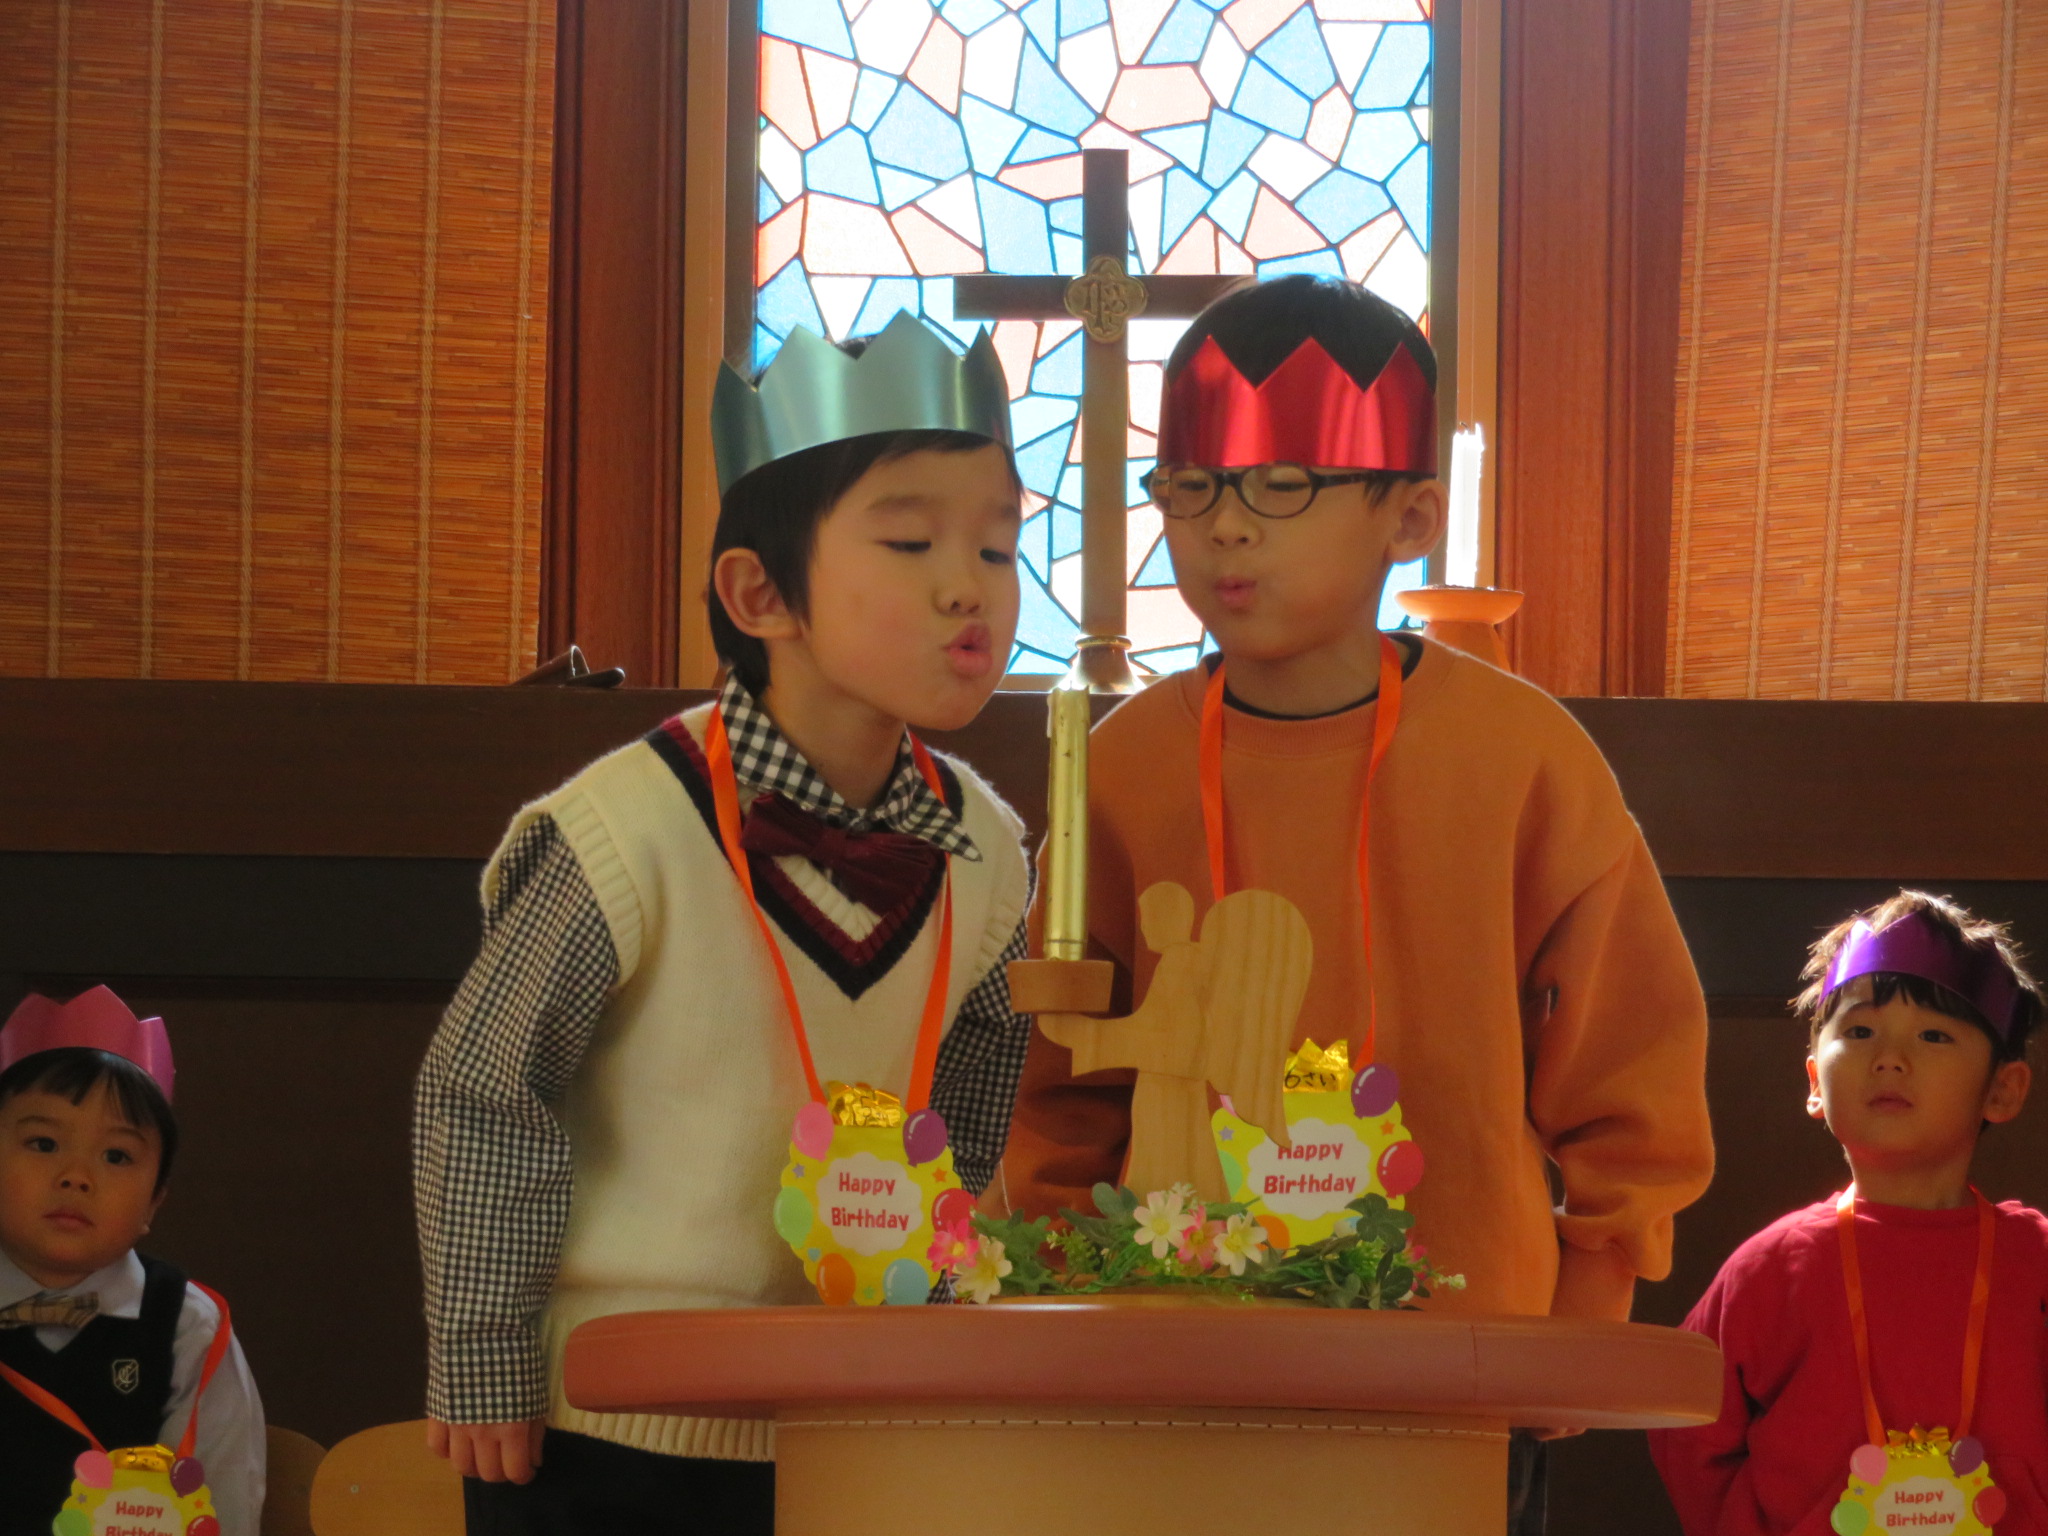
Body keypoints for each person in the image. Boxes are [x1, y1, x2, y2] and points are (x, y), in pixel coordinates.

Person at [996, 274, 1715, 1534]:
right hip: (1174, 1352)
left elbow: (1628, 1053)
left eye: (1279, 486)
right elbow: (1055, 1078)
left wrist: (1583, 1300)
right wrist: (1071, 1285)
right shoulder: (1123, 766)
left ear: (1409, 514)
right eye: (1190, 486)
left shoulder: (1518, 757)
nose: (1225, 529)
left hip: (1458, 1353)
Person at [414, 313, 1032, 1534]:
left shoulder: (989, 853)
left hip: (861, 1417)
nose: (968, 584)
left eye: (1000, 544)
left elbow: (965, 1121)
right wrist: (480, 1354)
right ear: (758, 592)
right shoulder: (625, 829)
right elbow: (484, 1092)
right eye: (910, 540)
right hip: (611, 1424)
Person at [1650, 891, 2048, 1536]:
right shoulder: (1771, 1268)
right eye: (1859, 1032)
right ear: (1814, 1081)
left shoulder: (2035, 1261)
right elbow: (1685, 1424)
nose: (1889, 1057)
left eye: (1934, 1035)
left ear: (2002, 1089)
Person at [0, 986, 265, 1536]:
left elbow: (220, 1507)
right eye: (43, 1143)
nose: (76, 1177)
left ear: (154, 1202)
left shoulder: (187, 1327)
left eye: (116, 1155)